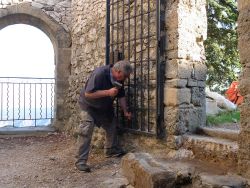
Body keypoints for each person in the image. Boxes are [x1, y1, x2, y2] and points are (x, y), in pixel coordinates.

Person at [76, 60, 133, 172]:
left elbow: (121, 96)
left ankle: (110, 150)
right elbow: (88, 93)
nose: (125, 79)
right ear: (118, 71)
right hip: (89, 106)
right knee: (86, 131)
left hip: (104, 107)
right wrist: (108, 92)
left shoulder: (119, 79)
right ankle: (80, 162)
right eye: (125, 76)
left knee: (112, 125)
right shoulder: (100, 73)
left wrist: (125, 111)